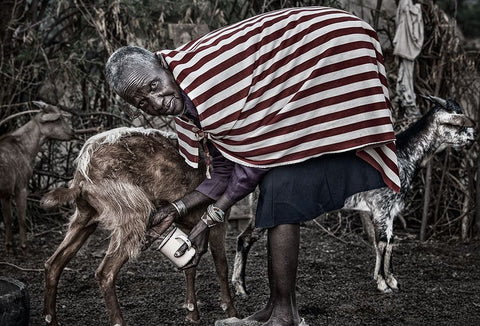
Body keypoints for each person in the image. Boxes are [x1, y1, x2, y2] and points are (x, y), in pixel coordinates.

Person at [105, 7, 400, 326]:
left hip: (332, 48)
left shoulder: (206, 81)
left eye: (152, 86)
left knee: (281, 188)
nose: (157, 101)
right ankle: (278, 310)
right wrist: (175, 210)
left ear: (163, 65)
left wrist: (207, 220)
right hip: (319, 50)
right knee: (278, 188)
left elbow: (250, 167)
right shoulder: (189, 108)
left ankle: (284, 315)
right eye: (142, 102)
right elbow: (224, 170)